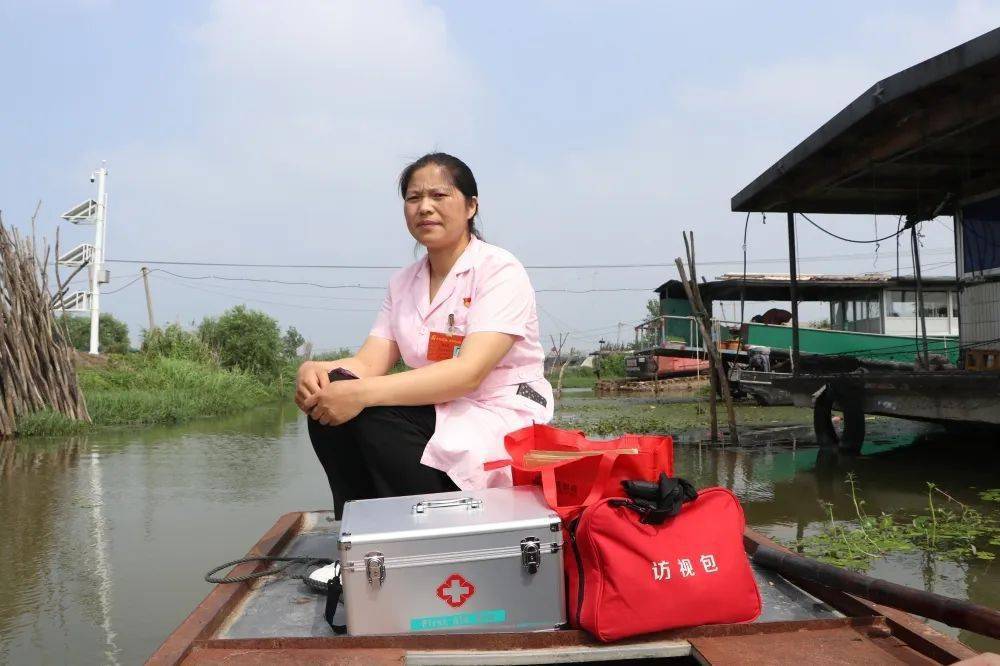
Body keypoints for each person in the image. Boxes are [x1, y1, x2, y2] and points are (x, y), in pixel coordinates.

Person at [295, 153, 554, 518]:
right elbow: (368, 363)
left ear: (470, 206)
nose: (424, 208)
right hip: (435, 408)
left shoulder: (499, 270)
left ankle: (430, 527)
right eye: (414, 198)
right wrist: (317, 370)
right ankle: (358, 530)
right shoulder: (403, 283)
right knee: (329, 397)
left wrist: (361, 394)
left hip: (496, 410)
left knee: (370, 413)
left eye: (439, 195)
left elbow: (469, 374)